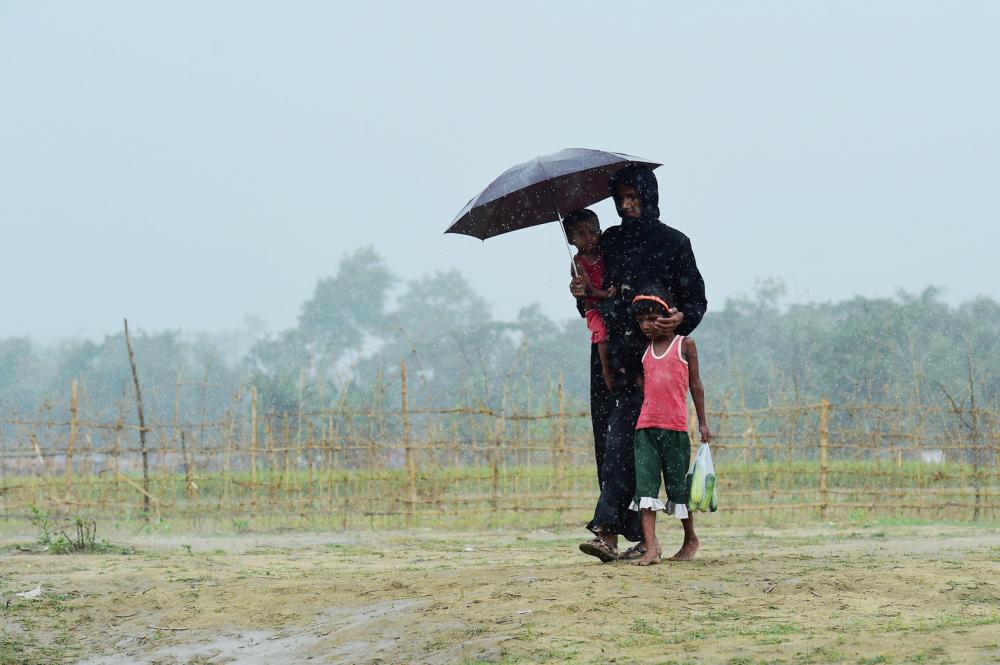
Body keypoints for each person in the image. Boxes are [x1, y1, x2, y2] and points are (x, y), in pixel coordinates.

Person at [572, 165, 707, 562]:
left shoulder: (674, 243)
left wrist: (678, 318)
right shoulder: (609, 242)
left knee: (629, 442)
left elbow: (696, 300)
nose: (627, 206)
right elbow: (593, 297)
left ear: (650, 197)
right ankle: (626, 534)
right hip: (610, 358)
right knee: (608, 441)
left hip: (653, 360)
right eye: (621, 200)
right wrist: (582, 291)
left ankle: (610, 530)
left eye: (634, 198)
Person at [628, 289, 711, 565]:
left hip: (674, 430)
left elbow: (695, 385)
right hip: (645, 429)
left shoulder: (685, 345)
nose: (647, 326)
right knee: (646, 488)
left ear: (668, 318)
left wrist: (703, 422)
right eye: (641, 321)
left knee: (677, 488)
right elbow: (645, 385)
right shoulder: (644, 351)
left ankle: (690, 538)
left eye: (652, 319)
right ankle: (652, 547)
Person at [564, 209, 616, 391]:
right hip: (594, 308)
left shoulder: (605, 252)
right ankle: (606, 370)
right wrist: (609, 294)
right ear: (570, 239)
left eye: (593, 231)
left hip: (608, 306)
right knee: (602, 335)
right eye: (581, 234)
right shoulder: (578, 263)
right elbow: (590, 292)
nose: (589, 237)